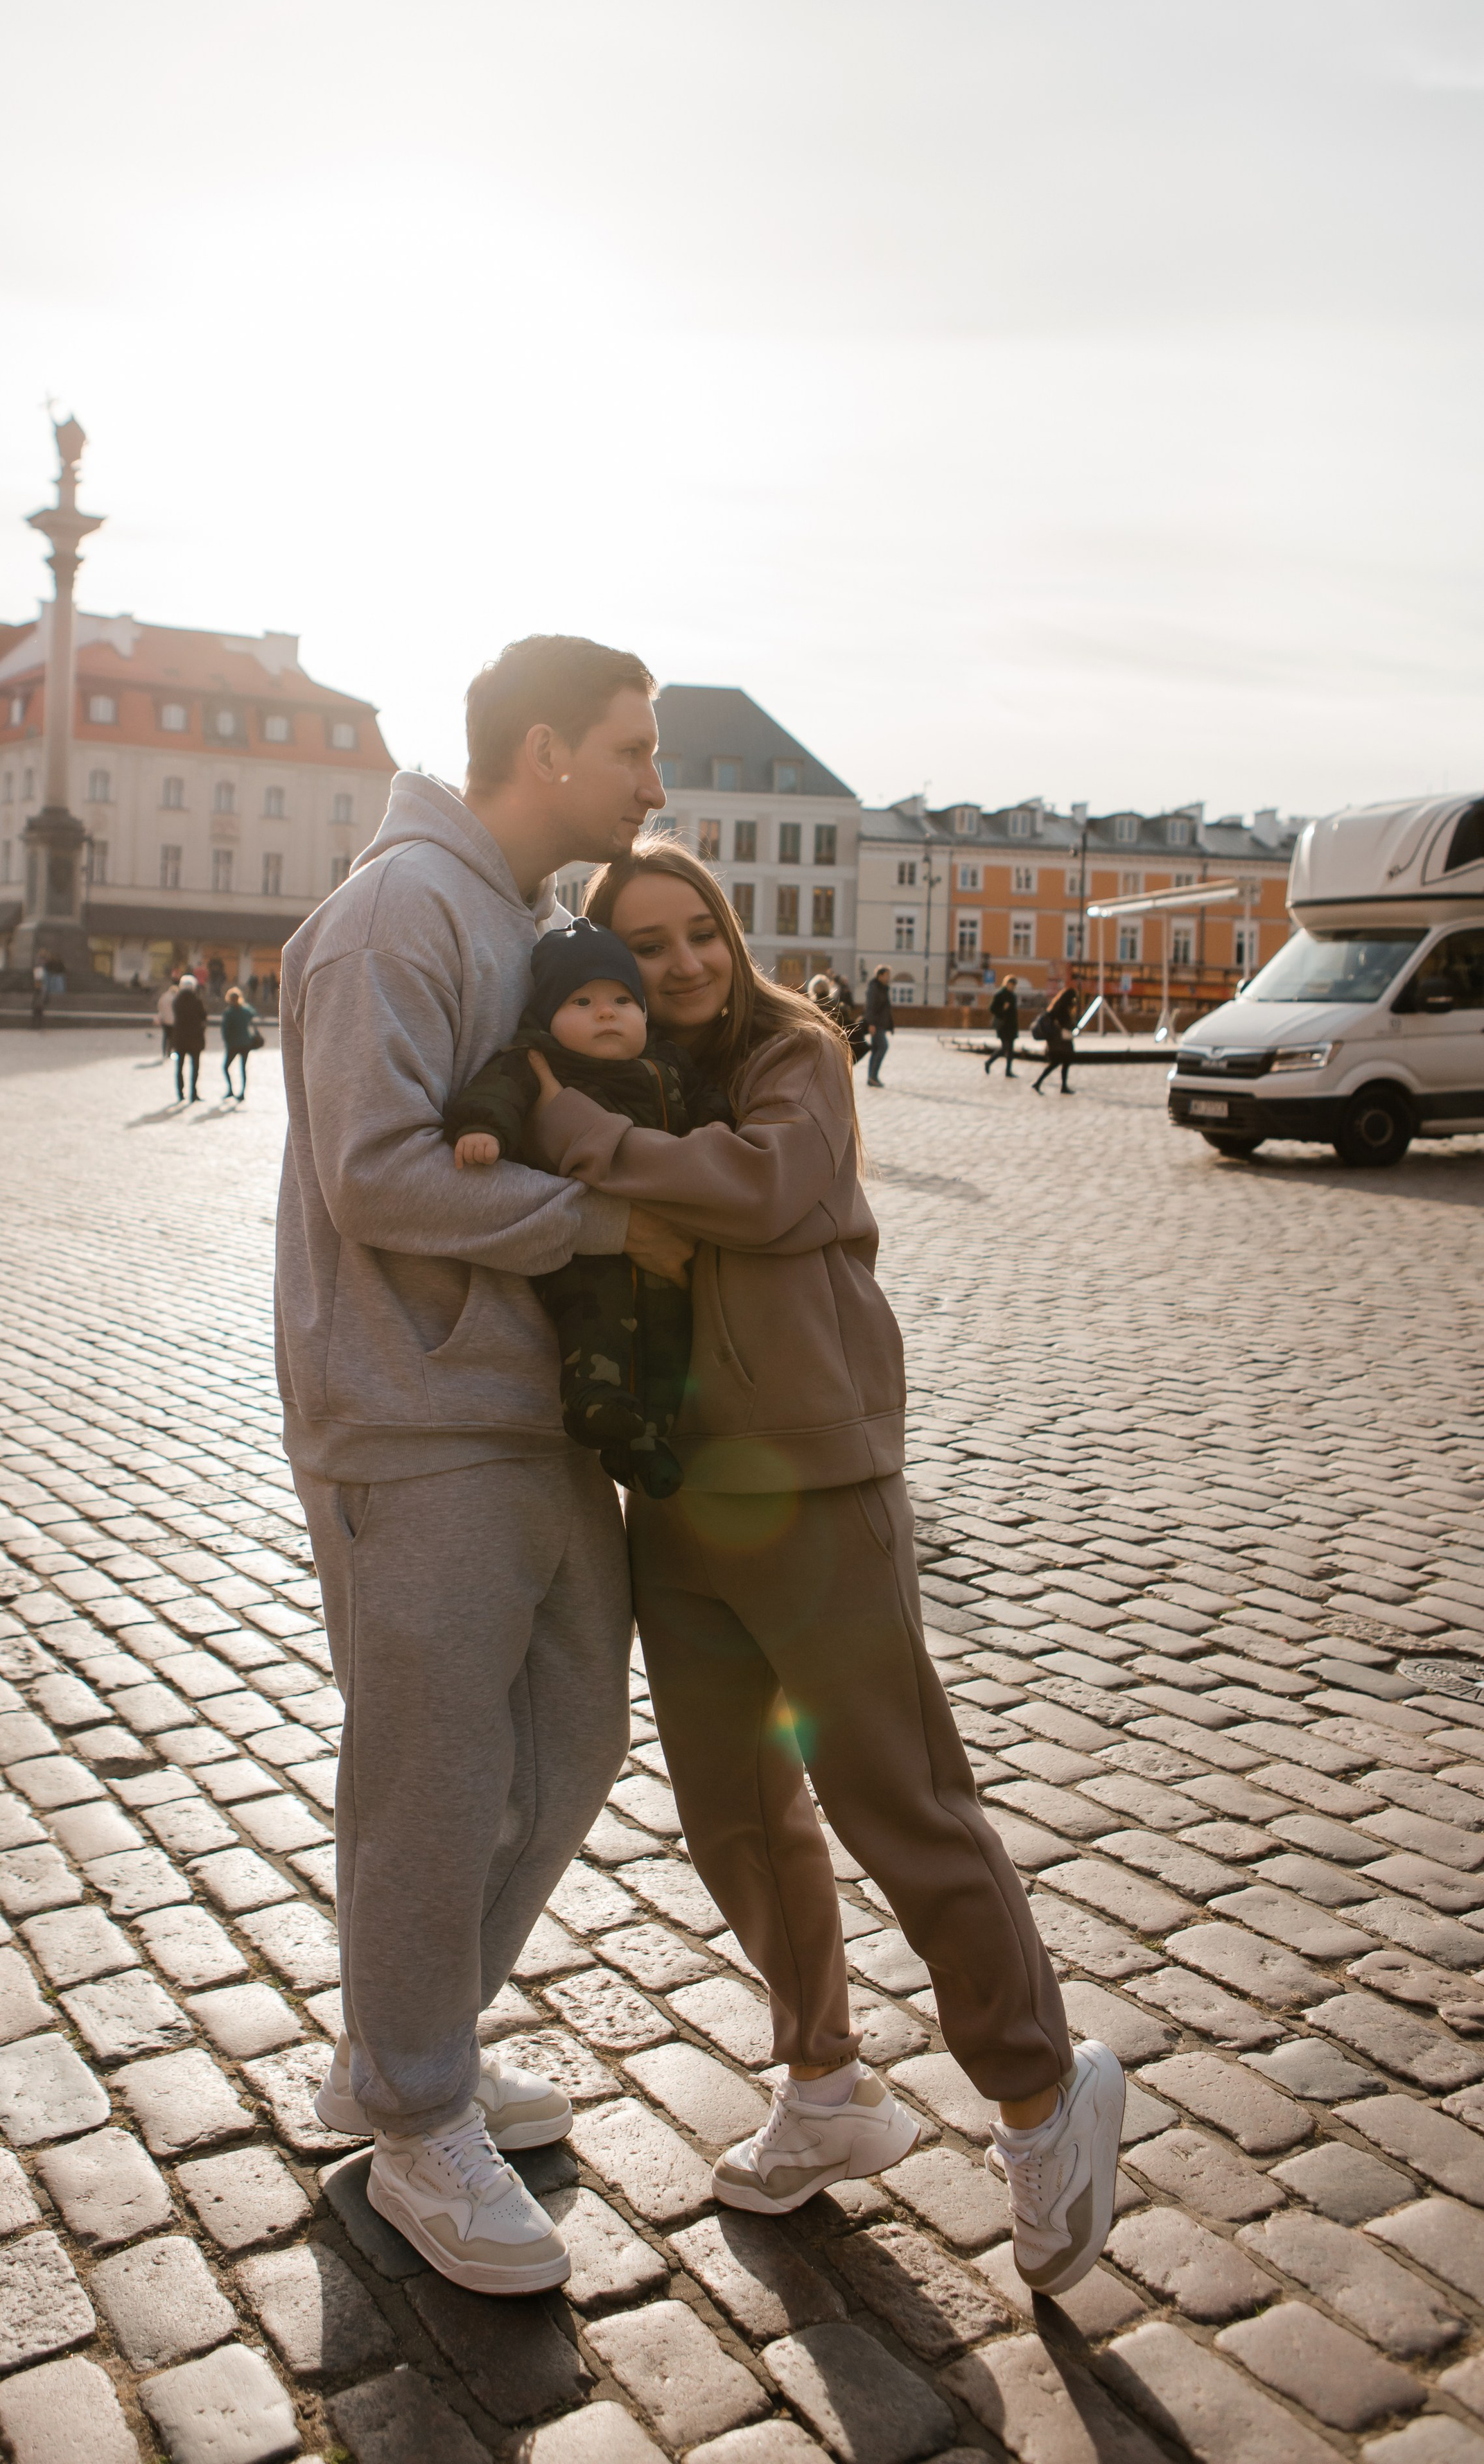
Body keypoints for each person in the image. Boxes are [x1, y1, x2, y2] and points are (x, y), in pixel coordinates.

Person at [532, 837, 1124, 2293]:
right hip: (674, 1491)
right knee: (732, 1811)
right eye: (643, 947)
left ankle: (1042, 2097)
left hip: (811, 1476)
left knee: (895, 1800)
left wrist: (597, 1150)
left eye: (697, 937)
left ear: (730, 937)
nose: (677, 966)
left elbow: (768, 1190)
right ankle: (824, 2086)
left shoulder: (789, 1050)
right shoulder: (620, 1077)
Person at [278, 633, 684, 2297]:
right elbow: (376, 1173)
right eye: (631, 748)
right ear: (541, 751)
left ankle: (412, 2038)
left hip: (523, 1408)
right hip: (414, 1408)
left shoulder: (516, 923)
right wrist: (601, 1221)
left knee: (571, 1730)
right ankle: (411, 2120)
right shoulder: (394, 915)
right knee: (433, 1766)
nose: (655, 782)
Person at [445, 917, 724, 1497]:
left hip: (664, 1249)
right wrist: (483, 1129)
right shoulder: (537, 1061)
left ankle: (648, 1439)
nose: (607, 1013)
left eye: (623, 999)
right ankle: (593, 1404)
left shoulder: (667, 1065)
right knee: (593, 1326)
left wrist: (721, 1124)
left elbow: (708, 1101)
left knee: (670, 1339)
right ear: (548, 1016)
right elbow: (495, 1093)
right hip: (588, 1250)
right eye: (583, 1000)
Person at [1033, 983, 1079, 1095]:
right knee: (1060, 1063)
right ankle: (1045, 1084)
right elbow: (1066, 1024)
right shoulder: (1063, 1009)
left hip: (1055, 1042)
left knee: (1057, 1063)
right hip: (1061, 1043)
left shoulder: (1055, 1007)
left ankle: (1042, 1083)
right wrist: (1074, 1026)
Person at [171, 972, 207, 1101]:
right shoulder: (197, 1001)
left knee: (179, 1067)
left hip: (180, 1039)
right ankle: (193, 1093)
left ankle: (180, 1093)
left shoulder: (177, 1001)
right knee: (195, 1068)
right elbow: (204, 1017)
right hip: (195, 1039)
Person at [220, 984, 260, 1101]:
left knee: (226, 1067)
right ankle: (242, 1092)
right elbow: (253, 1013)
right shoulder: (245, 1010)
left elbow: (225, 1031)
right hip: (246, 1043)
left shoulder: (229, 1013)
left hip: (233, 1044)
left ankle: (231, 1090)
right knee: (243, 1068)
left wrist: (226, 1042)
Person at [862, 967, 895, 1086]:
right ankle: (873, 1077)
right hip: (876, 1024)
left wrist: (890, 1026)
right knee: (883, 1047)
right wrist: (871, 1024)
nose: (888, 978)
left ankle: (872, 1077)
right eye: (887, 975)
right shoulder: (874, 988)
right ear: (880, 976)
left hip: (880, 1024)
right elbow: (870, 1007)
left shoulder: (882, 988)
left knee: (877, 1049)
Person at [986, 975, 1020, 1077]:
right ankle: (989, 1062)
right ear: (1006, 984)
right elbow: (992, 1009)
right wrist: (1003, 1009)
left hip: (1012, 1025)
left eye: (1014, 985)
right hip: (1003, 1025)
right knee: (1005, 1048)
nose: (1012, 986)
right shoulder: (1000, 995)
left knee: (1010, 1050)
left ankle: (1008, 1071)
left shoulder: (1013, 996)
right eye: (1011, 984)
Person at [155, 975, 180, 1058]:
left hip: (165, 1020)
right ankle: (171, 1052)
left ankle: (164, 1052)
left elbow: (160, 1006)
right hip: (173, 1020)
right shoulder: (176, 998)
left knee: (166, 1036)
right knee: (173, 1037)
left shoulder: (164, 996)